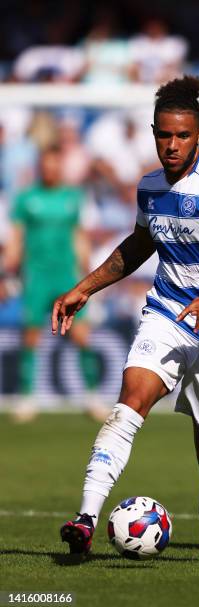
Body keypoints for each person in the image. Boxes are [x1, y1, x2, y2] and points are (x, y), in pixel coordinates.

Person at [53, 75, 199, 561]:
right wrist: (84, 288)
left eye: (183, 136)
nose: (172, 145)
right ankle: (86, 518)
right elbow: (140, 246)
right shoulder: (150, 187)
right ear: (153, 132)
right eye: (164, 135)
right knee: (129, 402)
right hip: (168, 314)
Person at [3, 146, 105, 422]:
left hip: (66, 276)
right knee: (31, 336)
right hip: (36, 275)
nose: (49, 169)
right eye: (45, 164)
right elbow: (15, 240)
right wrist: (8, 273)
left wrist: (89, 276)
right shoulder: (26, 198)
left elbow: (79, 237)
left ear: (59, 166)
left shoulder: (72, 198)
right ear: (39, 166)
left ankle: (92, 396)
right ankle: (27, 398)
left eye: (53, 164)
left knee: (81, 335)